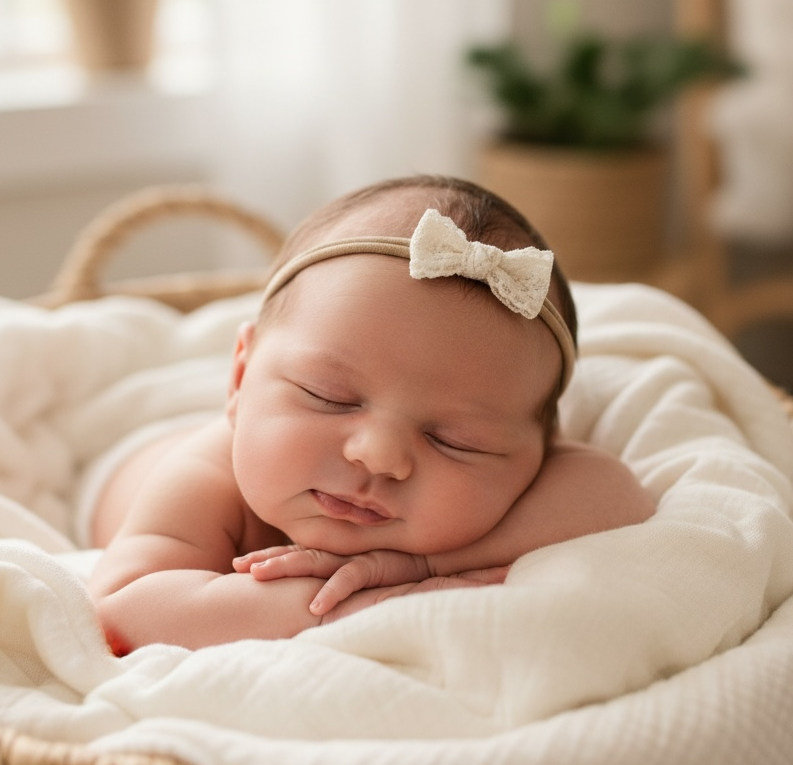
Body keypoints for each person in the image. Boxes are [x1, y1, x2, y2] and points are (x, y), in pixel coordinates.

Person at [88, 175, 655, 653]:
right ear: (240, 379)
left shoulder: (520, 482)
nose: (377, 455)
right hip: (128, 461)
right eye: (329, 396)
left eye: (454, 440)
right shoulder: (208, 479)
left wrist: (423, 567)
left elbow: (615, 494)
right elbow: (124, 607)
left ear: (536, 457)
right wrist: (339, 605)